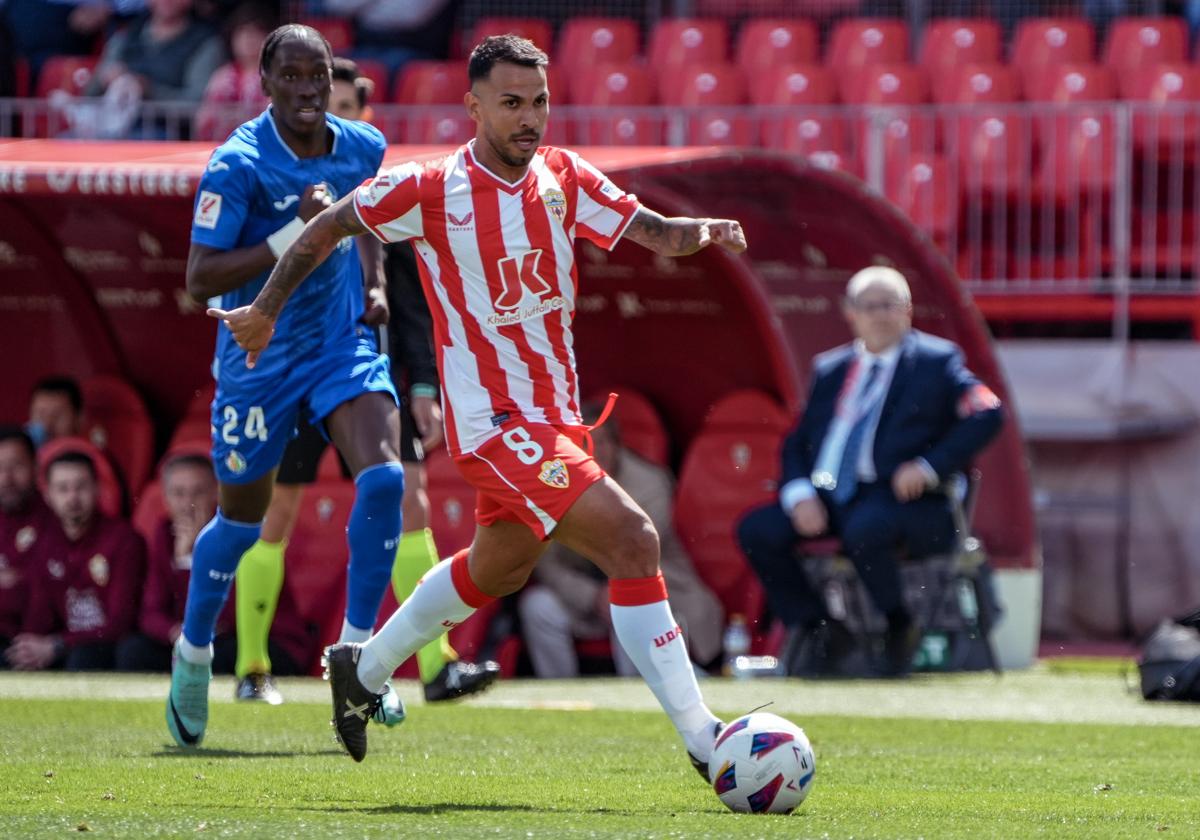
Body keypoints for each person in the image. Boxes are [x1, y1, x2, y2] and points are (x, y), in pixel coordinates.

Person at [212, 34, 748, 779]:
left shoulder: (564, 176)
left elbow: (650, 229)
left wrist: (703, 232)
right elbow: (330, 225)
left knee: (498, 570)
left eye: (539, 104)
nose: (530, 119)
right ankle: (704, 738)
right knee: (633, 540)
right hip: (495, 425)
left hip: (557, 420)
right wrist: (267, 308)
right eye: (512, 104)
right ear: (473, 107)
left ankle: (361, 674)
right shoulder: (432, 188)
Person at [166, 23, 408, 749]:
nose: (308, 90)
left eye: (319, 75)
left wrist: (372, 279)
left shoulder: (361, 145)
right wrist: (287, 235)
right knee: (241, 524)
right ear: (266, 83)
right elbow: (198, 280)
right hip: (257, 357)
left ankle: (360, 659)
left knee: (388, 479)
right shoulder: (237, 163)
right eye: (293, 77)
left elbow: (363, 216)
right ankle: (195, 653)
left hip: (337, 344)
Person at [229, 55, 498, 708]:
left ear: (363, 122)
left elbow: (413, 304)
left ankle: (436, 666)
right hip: (293, 376)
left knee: (412, 502)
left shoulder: (390, 199)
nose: (334, 122)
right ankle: (250, 667)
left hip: (367, 378)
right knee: (276, 514)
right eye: (327, 110)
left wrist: (427, 387)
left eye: (346, 111)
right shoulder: (276, 192)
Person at [736, 266, 1004, 678]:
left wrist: (929, 466)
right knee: (757, 529)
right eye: (869, 307)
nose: (879, 315)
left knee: (866, 528)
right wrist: (798, 493)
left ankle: (898, 624)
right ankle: (820, 628)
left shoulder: (936, 361)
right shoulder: (831, 368)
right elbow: (799, 442)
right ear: (850, 313)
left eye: (889, 305)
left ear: (908, 311)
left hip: (900, 497)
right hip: (828, 492)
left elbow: (987, 413)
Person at [519, 404, 723, 677]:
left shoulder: (650, 483)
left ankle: (638, 696)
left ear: (616, 445)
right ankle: (559, 694)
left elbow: (634, 549)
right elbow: (547, 563)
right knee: (537, 606)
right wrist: (591, 596)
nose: (594, 450)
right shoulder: (555, 481)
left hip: (656, 589)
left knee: (628, 607)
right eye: (583, 442)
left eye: (601, 440)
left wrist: (611, 594)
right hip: (588, 598)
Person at [116, 453, 309, 678]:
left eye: (198, 492)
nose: (188, 503)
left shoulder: (239, 530)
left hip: (263, 643)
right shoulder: (164, 534)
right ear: (165, 498)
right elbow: (151, 612)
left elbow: (226, 616)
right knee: (133, 652)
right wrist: (174, 632)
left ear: (217, 493)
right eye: (178, 493)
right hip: (198, 639)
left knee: (219, 653)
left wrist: (192, 559)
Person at [5, 451, 146, 670]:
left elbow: (121, 622)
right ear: (48, 495)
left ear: (98, 489)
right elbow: (39, 614)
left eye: (81, 487)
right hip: (61, 645)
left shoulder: (124, 540)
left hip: (103, 646)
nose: (72, 498)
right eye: (63, 489)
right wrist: (29, 646)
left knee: (82, 658)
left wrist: (59, 644)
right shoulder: (44, 541)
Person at [0, 426, 58, 659]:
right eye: (0, 467)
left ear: (36, 468)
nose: (7, 478)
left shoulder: (55, 520)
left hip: (37, 642)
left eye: (16, 466)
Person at [27, 376, 84, 449]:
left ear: (79, 418)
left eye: (57, 416)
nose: (48, 425)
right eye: (41, 415)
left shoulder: (87, 457)